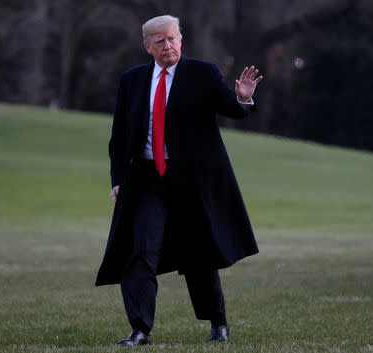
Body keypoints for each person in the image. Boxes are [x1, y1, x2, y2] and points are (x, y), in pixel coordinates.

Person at [95, 15, 263, 345]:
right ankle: (140, 329)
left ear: (181, 39)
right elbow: (119, 138)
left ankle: (218, 323)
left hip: (191, 181)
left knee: (199, 255)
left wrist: (243, 97)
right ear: (147, 47)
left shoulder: (202, 73)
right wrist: (118, 179)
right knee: (139, 251)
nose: (167, 45)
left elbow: (230, 107)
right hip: (146, 180)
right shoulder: (132, 81)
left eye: (172, 38)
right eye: (159, 41)